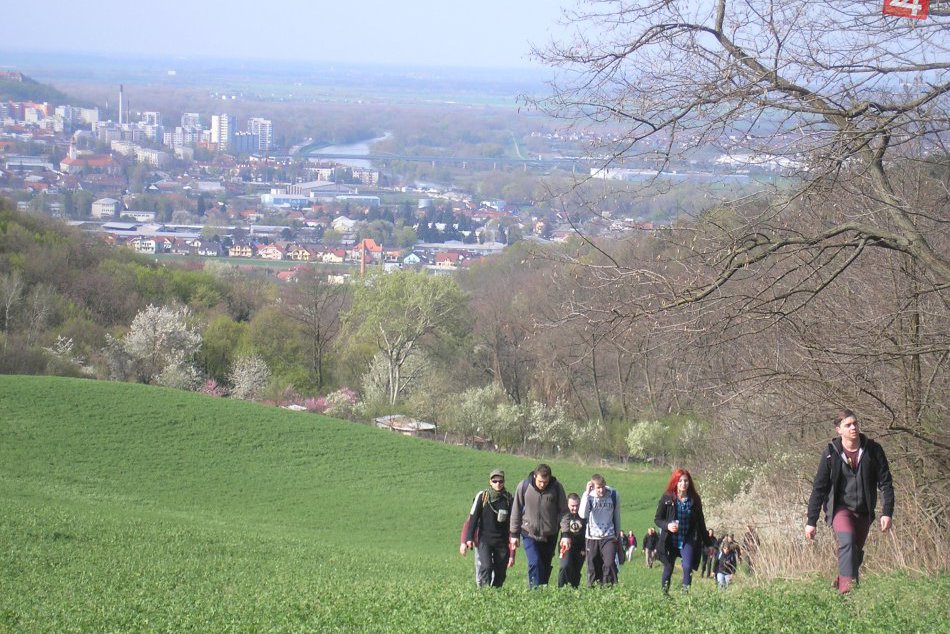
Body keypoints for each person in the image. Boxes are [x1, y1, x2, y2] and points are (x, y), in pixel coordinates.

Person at [805, 409, 894, 594]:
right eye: (848, 425)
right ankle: (847, 593)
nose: (853, 427)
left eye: (855, 423)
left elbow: (885, 483)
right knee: (847, 541)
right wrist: (811, 521)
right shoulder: (831, 454)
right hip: (840, 510)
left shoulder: (873, 450)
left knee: (854, 554)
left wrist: (887, 512)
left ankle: (843, 581)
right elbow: (819, 488)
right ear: (839, 430)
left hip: (864, 512)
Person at [509, 463, 571, 589]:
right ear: (535, 476)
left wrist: (565, 534)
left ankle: (542, 590)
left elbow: (564, 512)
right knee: (535, 562)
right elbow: (516, 510)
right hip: (529, 532)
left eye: (545, 482)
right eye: (540, 481)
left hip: (550, 534)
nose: (543, 484)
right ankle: (534, 592)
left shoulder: (557, 488)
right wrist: (514, 534)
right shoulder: (524, 486)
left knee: (545, 565)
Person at [654, 468, 710, 593]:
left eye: (686, 481)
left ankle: (685, 595)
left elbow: (701, 522)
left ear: (689, 482)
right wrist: (667, 525)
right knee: (668, 568)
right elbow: (658, 519)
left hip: (687, 538)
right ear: (675, 482)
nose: (683, 484)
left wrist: (709, 544)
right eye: (680, 481)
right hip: (670, 539)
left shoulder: (694, 499)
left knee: (687, 567)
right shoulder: (667, 497)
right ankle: (664, 594)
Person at [462, 468, 514, 588]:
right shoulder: (483, 496)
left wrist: (513, 539)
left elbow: (513, 521)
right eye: (494, 481)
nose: (498, 484)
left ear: (504, 482)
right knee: (486, 567)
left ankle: (496, 592)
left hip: (501, 541)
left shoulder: (508, 499)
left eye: (500, 481)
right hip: (485, 539)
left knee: (500, 571)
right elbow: (473, 517)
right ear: (490, 482)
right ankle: (485, 592)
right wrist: (468, 538)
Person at [579, 474, 622, 586]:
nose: (601, 490)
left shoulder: (613, 495)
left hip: (609, 536)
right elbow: (582, 514)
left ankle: (610, 587)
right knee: (593, 567)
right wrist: (586, 493)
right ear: (593, 487)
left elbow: (617, 516)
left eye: (603, 486)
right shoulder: (588, 497)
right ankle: (593, 590)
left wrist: (617, 535)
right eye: (598, 488)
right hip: (592, 537)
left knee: (609, 563)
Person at [557, 493, 586, 588]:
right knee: (564, 566)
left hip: (580, 548)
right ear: (567, 504)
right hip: (565, 546)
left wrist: (584, 548)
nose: (575, 508)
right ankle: (561, 589)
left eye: (577, 505)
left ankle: (574, 590)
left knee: (576, 571)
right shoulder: (563, 515)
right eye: (572, 506)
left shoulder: (583, 515)